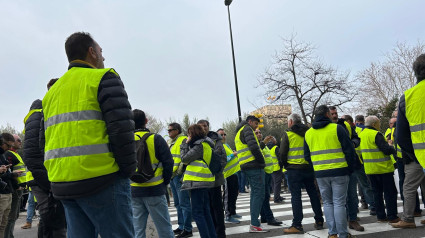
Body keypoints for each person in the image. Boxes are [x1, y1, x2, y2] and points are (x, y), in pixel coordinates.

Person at [41, 32, 136, 238]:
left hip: (63, 182)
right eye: (101, 52)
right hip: (102, 179)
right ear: (91, 52)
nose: (103, 57)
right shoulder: (103, 77)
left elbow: (44, 140)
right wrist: (127, 170)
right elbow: (121, 129)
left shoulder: (52, 92)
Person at [22, 78, 67, 238]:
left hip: (48, 177)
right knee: (53, 220)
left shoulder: (52, 111)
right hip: (43, 178)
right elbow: (32, 154)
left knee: (51, 219)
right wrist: (48, 183)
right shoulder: (41, 111)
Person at [305, 105, 356, 238]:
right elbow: (349, 150)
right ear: (327, 114)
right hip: (339, 171)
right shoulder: (337, 128)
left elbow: (306, 156)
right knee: (339, 203)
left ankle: (332, 233)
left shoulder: (309, 133)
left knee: (327, 203)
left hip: (321, 173)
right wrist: (350, 168)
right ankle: (343, 234)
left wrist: (316, 168)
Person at [393, 54, 425, 228]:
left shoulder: (408, 97)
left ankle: (407, 218)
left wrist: (412, 154)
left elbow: (401, 136)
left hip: (417, 156)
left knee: (409, 187)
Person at [130, 109, 174, 238]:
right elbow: (168, 163)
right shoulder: (156, 138)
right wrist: (165, 182)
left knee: (137, 229)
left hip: (134, 190)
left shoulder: (127, 141)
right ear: (146, 121)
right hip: (155, 189)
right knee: (164, 228)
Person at [281, 113, 324, 234]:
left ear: (290, 122)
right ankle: (319, 220)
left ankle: (297, 225)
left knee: (296, 196)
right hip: (308, 168)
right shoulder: (309, 132)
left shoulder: (288, 134)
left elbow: (283, 153)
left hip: (294, 170)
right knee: (313, 194)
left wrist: (285, 165)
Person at [329, 107, 364, 232]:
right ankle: (340, 222)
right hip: (335, 167)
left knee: (352, 195)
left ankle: (353, 220)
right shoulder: (325, 128)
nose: (334, 115)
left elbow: (356, 138)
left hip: (350, 165)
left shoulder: (345, 125)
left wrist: (353, 143)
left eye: (336, 113)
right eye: (332, 113)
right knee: (338, 198)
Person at [359, 116, 399, 224]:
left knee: (377, 194)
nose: (379, 125)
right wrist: (390, 145)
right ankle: (392, 216)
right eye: (378, 123)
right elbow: (386, 150)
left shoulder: (361, 135)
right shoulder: (376, 134)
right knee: (390, 193)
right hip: (383, 168)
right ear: (374, 124)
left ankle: (381, 216)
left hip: (370, 169)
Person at [180, 124, 217, 238]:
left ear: (193, 134)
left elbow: (184, 158)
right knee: (205, 212)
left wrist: (185, 144)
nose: (188, 136)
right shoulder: (206, 145)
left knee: (197, 213)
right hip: (204, 180)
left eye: (189, 133)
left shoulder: (198, 146)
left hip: (197, 181)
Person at [234, 115, 269, 233]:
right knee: (259, 194)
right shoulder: (247, 129)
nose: (256, 127)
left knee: (255, 194)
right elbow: (254, 147)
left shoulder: (239, 131)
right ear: (250, 122)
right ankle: (254, 223)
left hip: (246, 165)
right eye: (255, 124)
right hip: (254, 165)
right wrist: (261, 161)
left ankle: (254, 222)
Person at [197, 120, 227, 238]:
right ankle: (212, 232)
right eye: (201, 126)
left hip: (214, 180)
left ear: (208, 127)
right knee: (206, 208)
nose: (203, 128)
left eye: (205, 126)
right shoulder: (196, 141)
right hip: (202, 181)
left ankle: (220, 233)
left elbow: (222, 158)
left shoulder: (216, 140)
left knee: (217, 208)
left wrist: (216, 171)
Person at [343, 115, 376, 217]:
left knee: (361, 185)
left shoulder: (355, 130)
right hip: (357, 160)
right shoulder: (358, 129)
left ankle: (370, 206)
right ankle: (369, 206)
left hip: (357, 160)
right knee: (361, 185)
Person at [167, 123, 193, 238]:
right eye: (168, 130)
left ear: (177, 130)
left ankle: (188, 229)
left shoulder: (182, 139)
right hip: (172, 176)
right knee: (177, 203)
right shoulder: (171, 142)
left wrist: (180, 171)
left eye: (170, 130)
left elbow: (185, 156)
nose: (169, 132)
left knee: (184, 203)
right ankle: (181, 226)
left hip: (178, 175)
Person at [255, 129, 282, 227]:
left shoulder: (264, 145)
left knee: (264, 196)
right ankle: (270, 218)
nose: (259, 134)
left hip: (268, 172)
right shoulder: (257, 145)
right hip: (263, 173)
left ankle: (264, 217)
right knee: (265, 196)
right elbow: (257, 151)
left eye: (260, 132)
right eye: (256, 133)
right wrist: (263, 143)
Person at [4, 135, 26, 238]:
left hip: (19, 189)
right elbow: (8, 173)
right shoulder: (9, 154)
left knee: (15, 215)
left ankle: (10, 235)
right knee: (11, 216)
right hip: (15, 189)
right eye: (19, 140)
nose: (20, 142)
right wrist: (16, 186)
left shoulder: (16, 154)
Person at [217, 129, 241, 224]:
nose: (223, 136)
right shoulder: (218, 147)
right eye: (221, 135)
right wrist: (233, 154)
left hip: (234, 173)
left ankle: (233, 212)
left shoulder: (226, 145)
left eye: (224, 134)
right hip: (227, 174)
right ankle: (228, 215)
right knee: (227, 195)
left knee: (234, 194)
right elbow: (222, 160)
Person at [0, 133, 21, 238]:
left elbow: (6, 173)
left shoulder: (3, 154)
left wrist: (12, 174)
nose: (9, 148)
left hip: (7, 192)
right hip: (2, 194)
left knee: (4, 224)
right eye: (8, 146)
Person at [268, 137, 284, 203]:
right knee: (277, 184)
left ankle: (277, 196)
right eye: (275, 140)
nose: (276, 141)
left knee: (273, 184)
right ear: (273, 141)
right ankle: (276, 198)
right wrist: (281, 166)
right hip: (277, 168)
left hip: (270, 168)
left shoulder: (266, 148)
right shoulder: (275, 148)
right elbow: (279, 158)